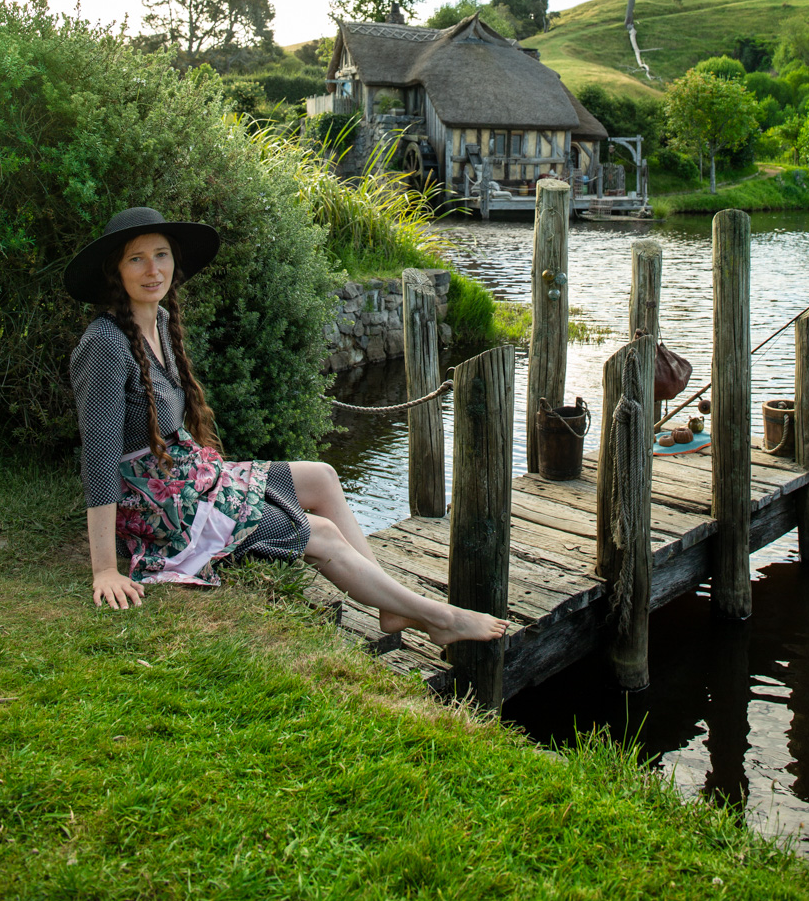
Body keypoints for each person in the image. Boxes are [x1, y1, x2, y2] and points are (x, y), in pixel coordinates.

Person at [65, 207, 507, 650]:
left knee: (322, 476)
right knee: (323, 535)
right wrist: (105, 567)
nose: (153, 269)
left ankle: (391, 608)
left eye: (160, 255)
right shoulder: (104, 344)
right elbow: (99, 460)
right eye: (136, 259)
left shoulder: (158, 321)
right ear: (115, 272)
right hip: (159, 508)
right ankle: (440, 617)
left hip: (186, 477)